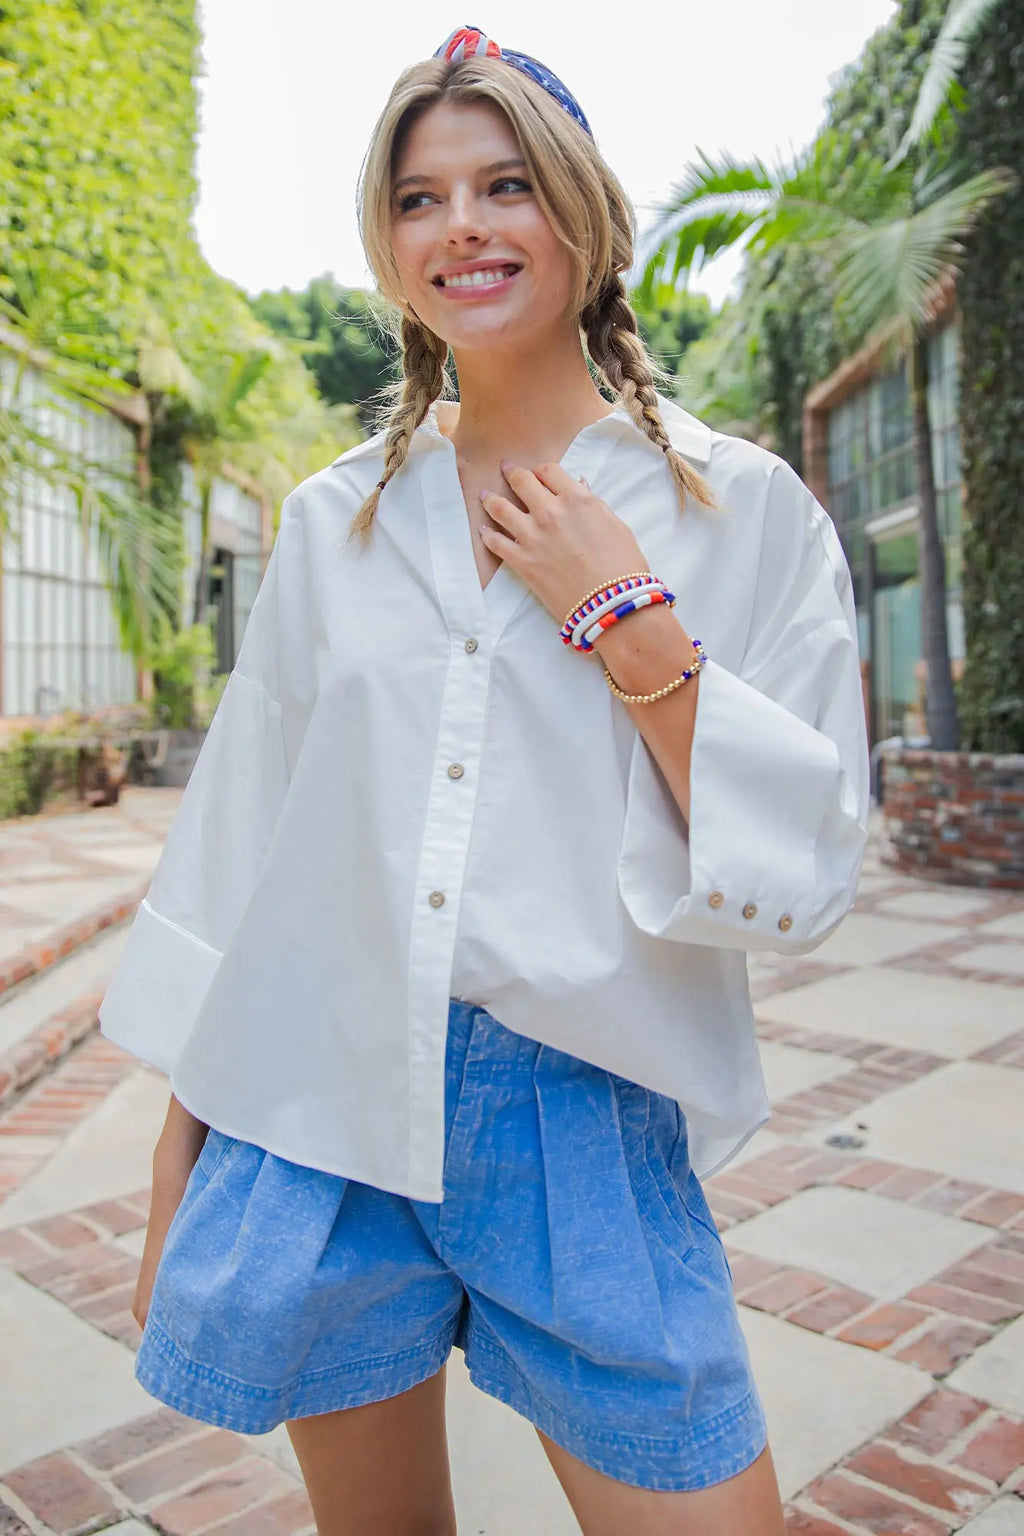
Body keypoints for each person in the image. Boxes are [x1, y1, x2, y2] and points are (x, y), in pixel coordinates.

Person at [98, 24, 870, 1536]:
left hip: (581, 1116)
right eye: (418, 197)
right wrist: (180, 1153)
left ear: (582, 212)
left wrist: (627, 618)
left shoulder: (740, 508)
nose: (461, 224)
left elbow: (810, 871)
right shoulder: (338, 523)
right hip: (315, 1109)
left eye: (504, 183)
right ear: (387, 246)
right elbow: (245, 845)